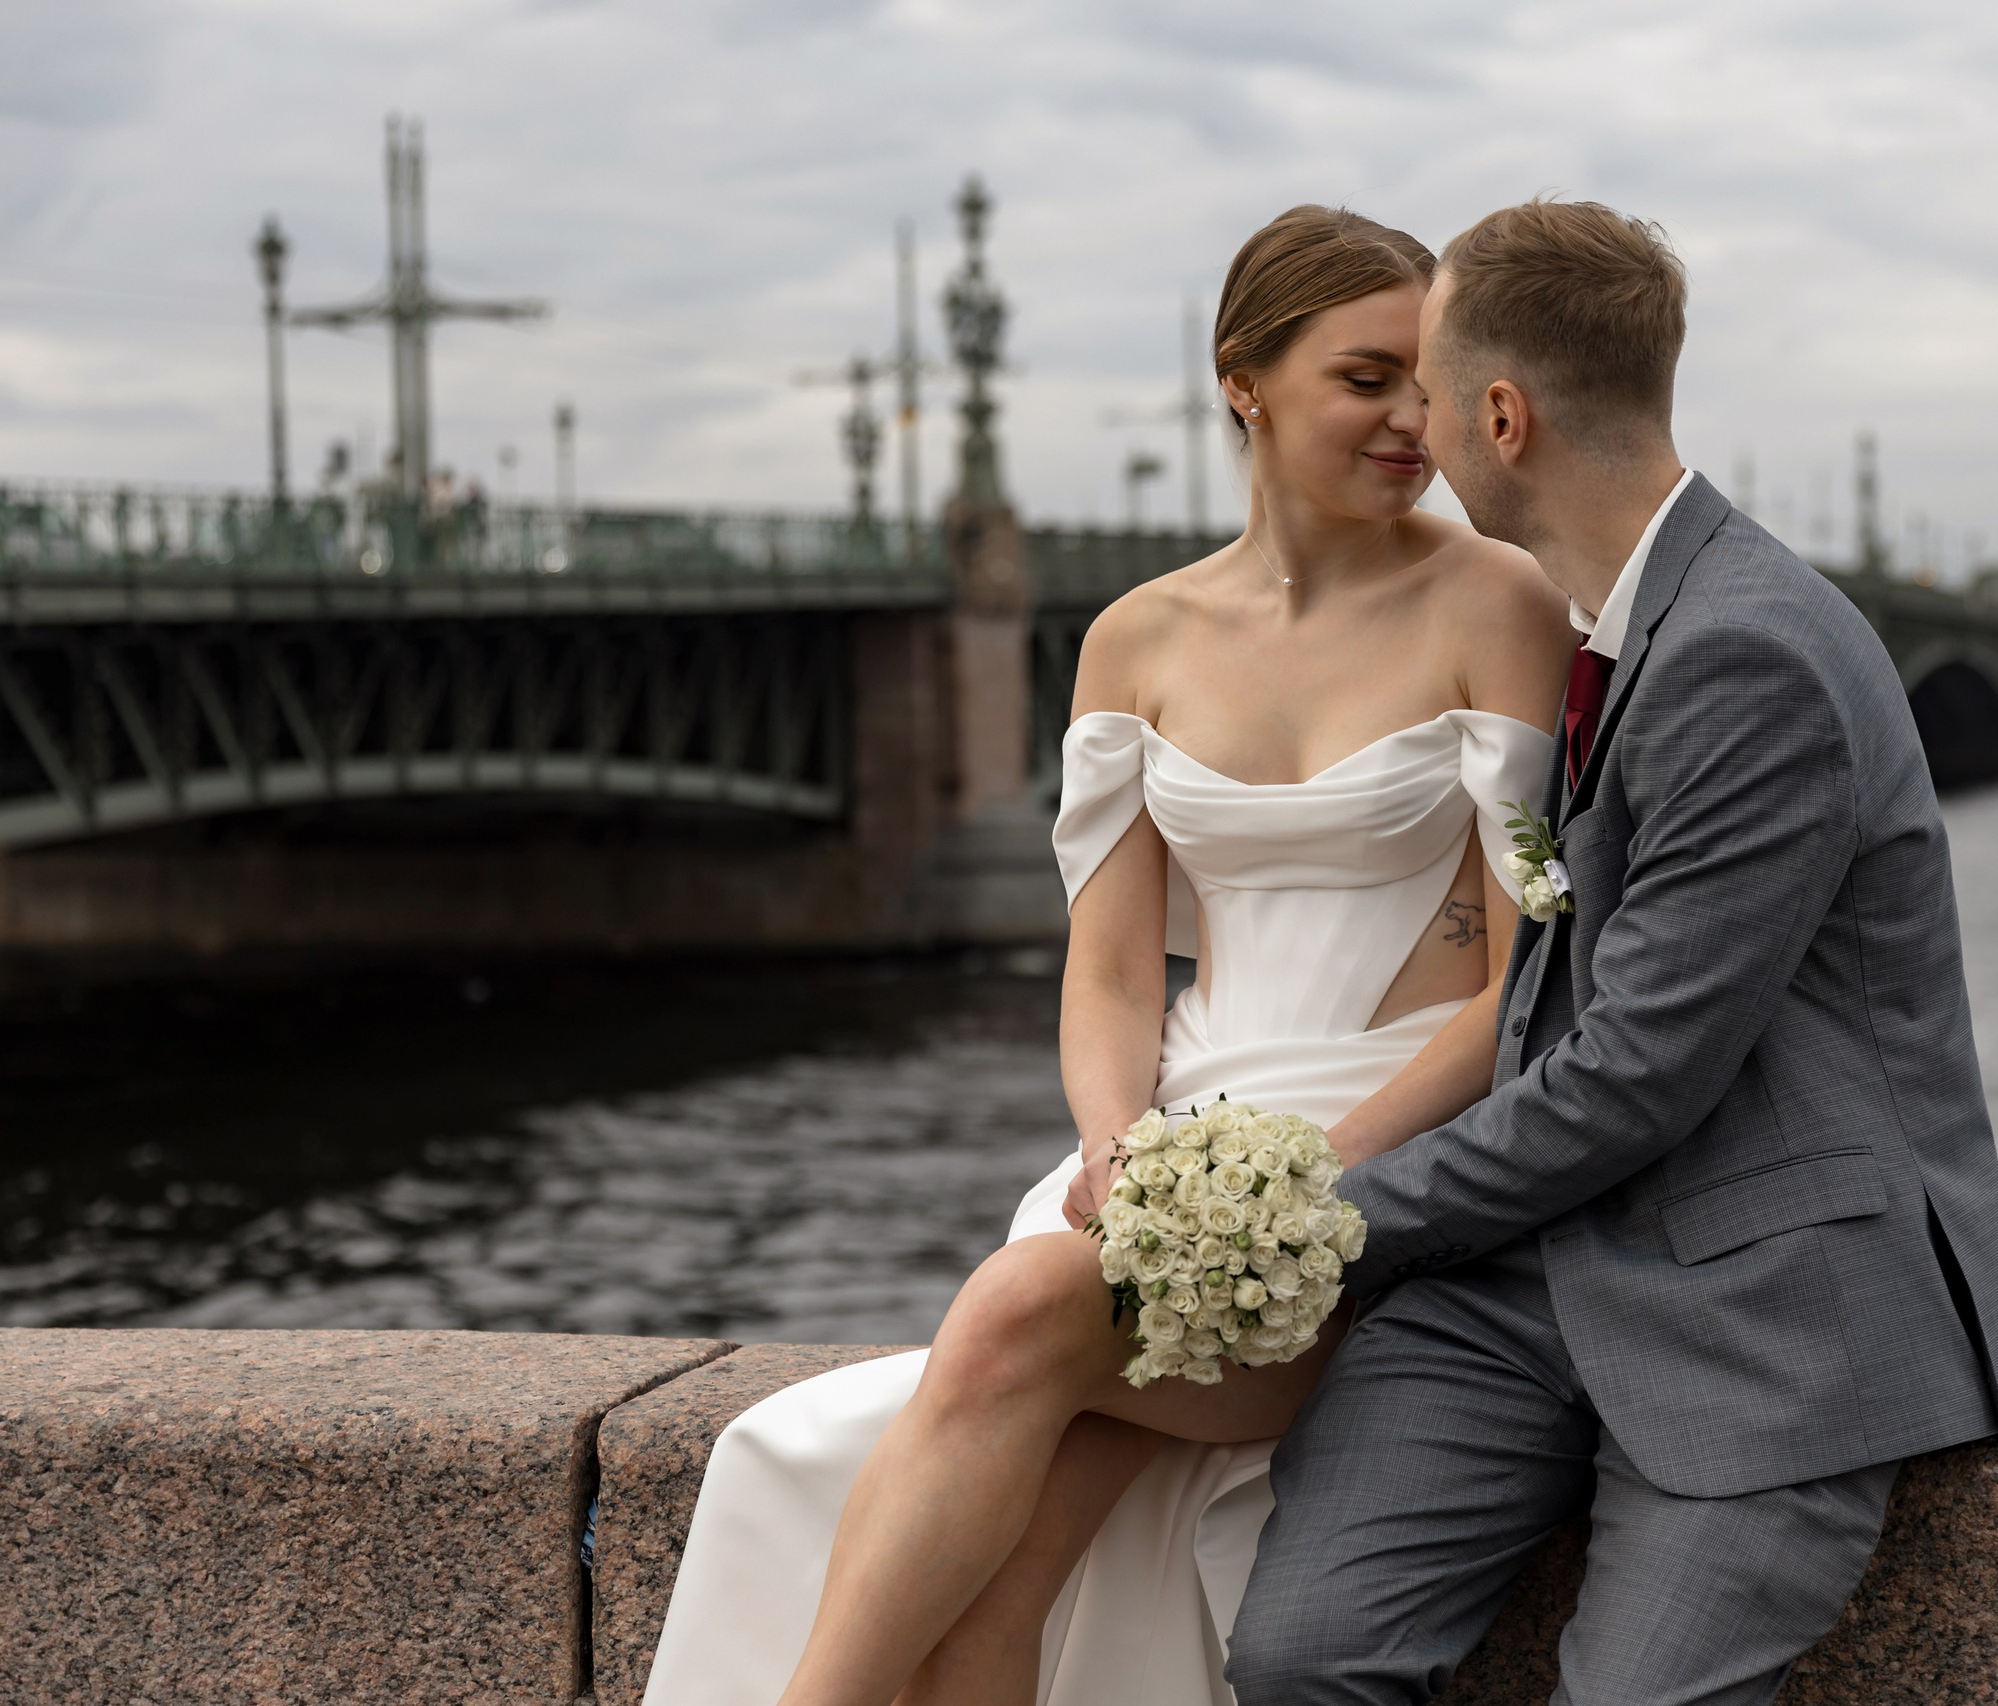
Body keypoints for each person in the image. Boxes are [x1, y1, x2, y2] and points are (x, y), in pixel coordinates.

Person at [642, 205, 1574, 1706]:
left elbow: (1518, 987)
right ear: (1243, 382)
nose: (1416, 417)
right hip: (1158, 1159)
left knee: (1012, 1319)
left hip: (1397, 1186)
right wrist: (1113, 1140)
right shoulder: (1136, 638)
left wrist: (1323, 1179)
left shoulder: (1498, 603)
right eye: (1367, 376)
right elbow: (1114, 969)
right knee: (1002, 1589)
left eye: (1434, 377)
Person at [1224, 198, 1998, 1706]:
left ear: (1503, 417)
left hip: (1762, 1306)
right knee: (1300, 1656)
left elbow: (1632, 1076)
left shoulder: (1745, 651)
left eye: (1430, 390)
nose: (1415, 424)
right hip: (1536, 1277)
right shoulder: (1620, 617)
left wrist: (1326, 1218)